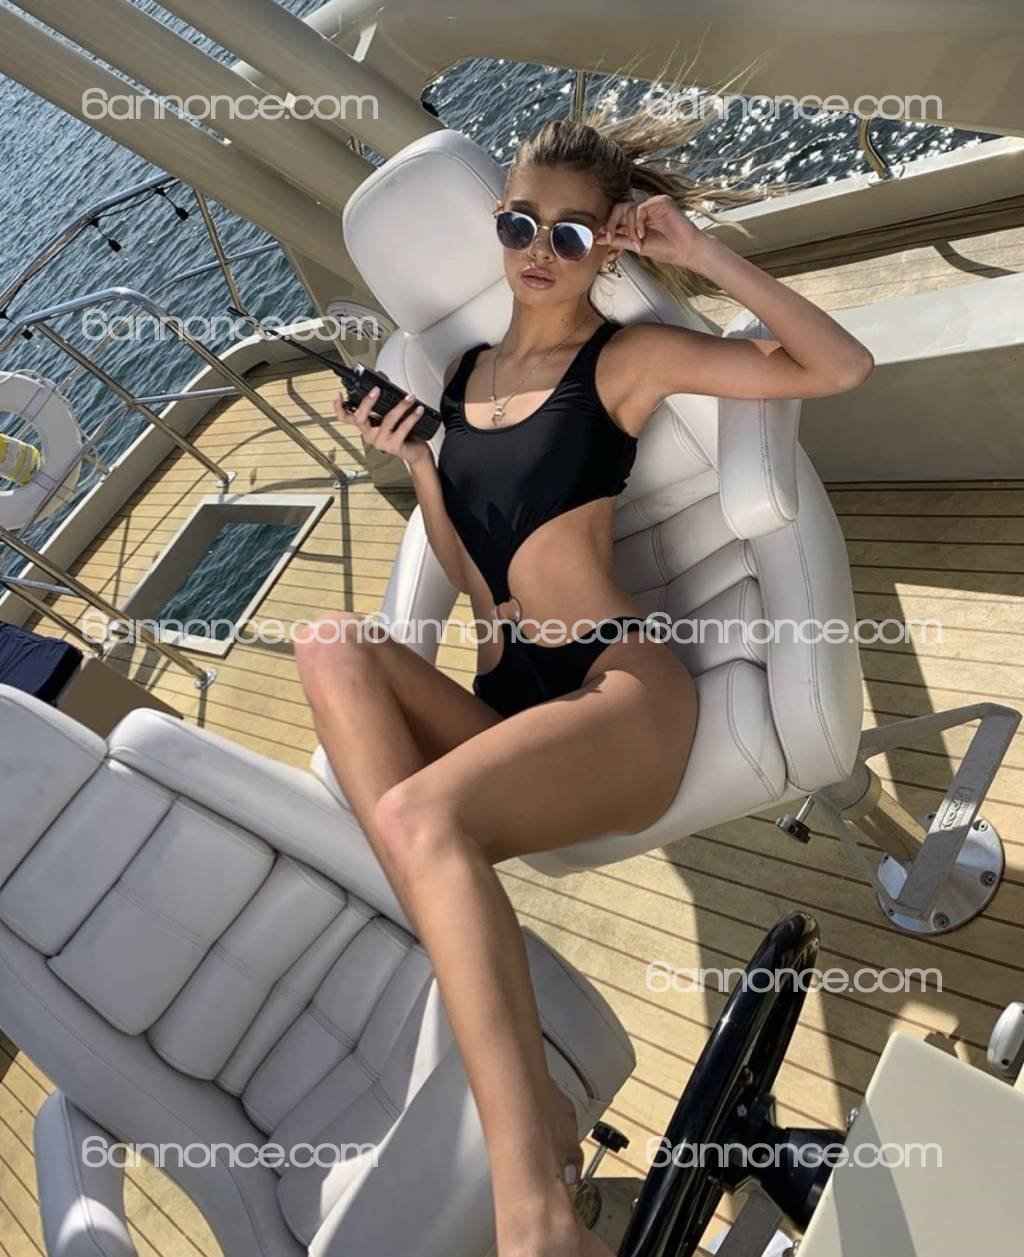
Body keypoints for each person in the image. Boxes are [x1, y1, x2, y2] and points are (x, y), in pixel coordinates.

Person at [295, 104, 872, 1257]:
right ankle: (500, 1032)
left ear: (603, 246)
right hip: (506, 694)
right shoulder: (460, 375)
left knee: (412, 818)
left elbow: (837, 366)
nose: (534, 252)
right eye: (519, 224)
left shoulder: (623, 357)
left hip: (620, 695)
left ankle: (540, 1207)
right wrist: (420, 462)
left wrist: (697, 253)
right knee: (325, 644)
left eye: (567, 235)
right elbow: (476, 575)